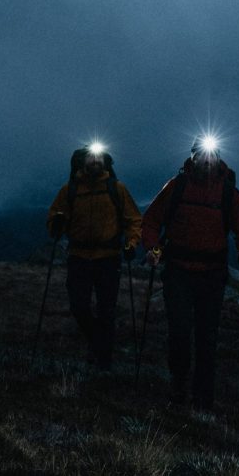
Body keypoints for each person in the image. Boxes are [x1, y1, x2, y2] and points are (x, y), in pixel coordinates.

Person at [141, 137, 239, 411]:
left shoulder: (228, 193)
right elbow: (151, 220)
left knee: (207, 337)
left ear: (218, 158)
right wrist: (152, 247)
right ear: (192, 157)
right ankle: (179, 387)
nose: (207, 161)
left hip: (212, 275)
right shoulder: (177, 186)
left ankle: (202, 396)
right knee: (180, 333)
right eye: (201, 155)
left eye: (212, 156)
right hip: (178, 271)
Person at [46, 144, 143, 374]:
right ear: (81, 162)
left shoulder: (116, 189)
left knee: (106, 310)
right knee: (79, 306)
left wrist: (131, 243)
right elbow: (53, 220)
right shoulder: (69, 190)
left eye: (99, 158)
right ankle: (98, 343)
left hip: (108, 258)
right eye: (91, 158)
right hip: (79, 256)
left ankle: (103, 362)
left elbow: (133, 220)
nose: (95, 161)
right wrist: (57, 224)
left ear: (105, 161)